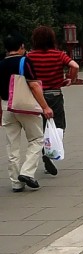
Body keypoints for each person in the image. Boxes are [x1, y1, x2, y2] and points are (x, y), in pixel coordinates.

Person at [0, 33, 54, 191]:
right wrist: (45, 107)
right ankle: (27, 172)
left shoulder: (1, 64)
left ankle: (16, 182)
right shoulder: (24, 61)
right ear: (21, 47)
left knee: (12, 145)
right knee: (37, 139)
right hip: (26, 106)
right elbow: (34, 86)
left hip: (7, 106)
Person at [27, 26, 80, 177]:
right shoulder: (58, 54)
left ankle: (44, 151)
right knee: (59, 126)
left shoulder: (30, 56)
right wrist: (71, 78)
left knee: (41, 127)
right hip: (55, 95)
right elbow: (74, 65)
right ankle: (50, 152)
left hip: (36, 96)